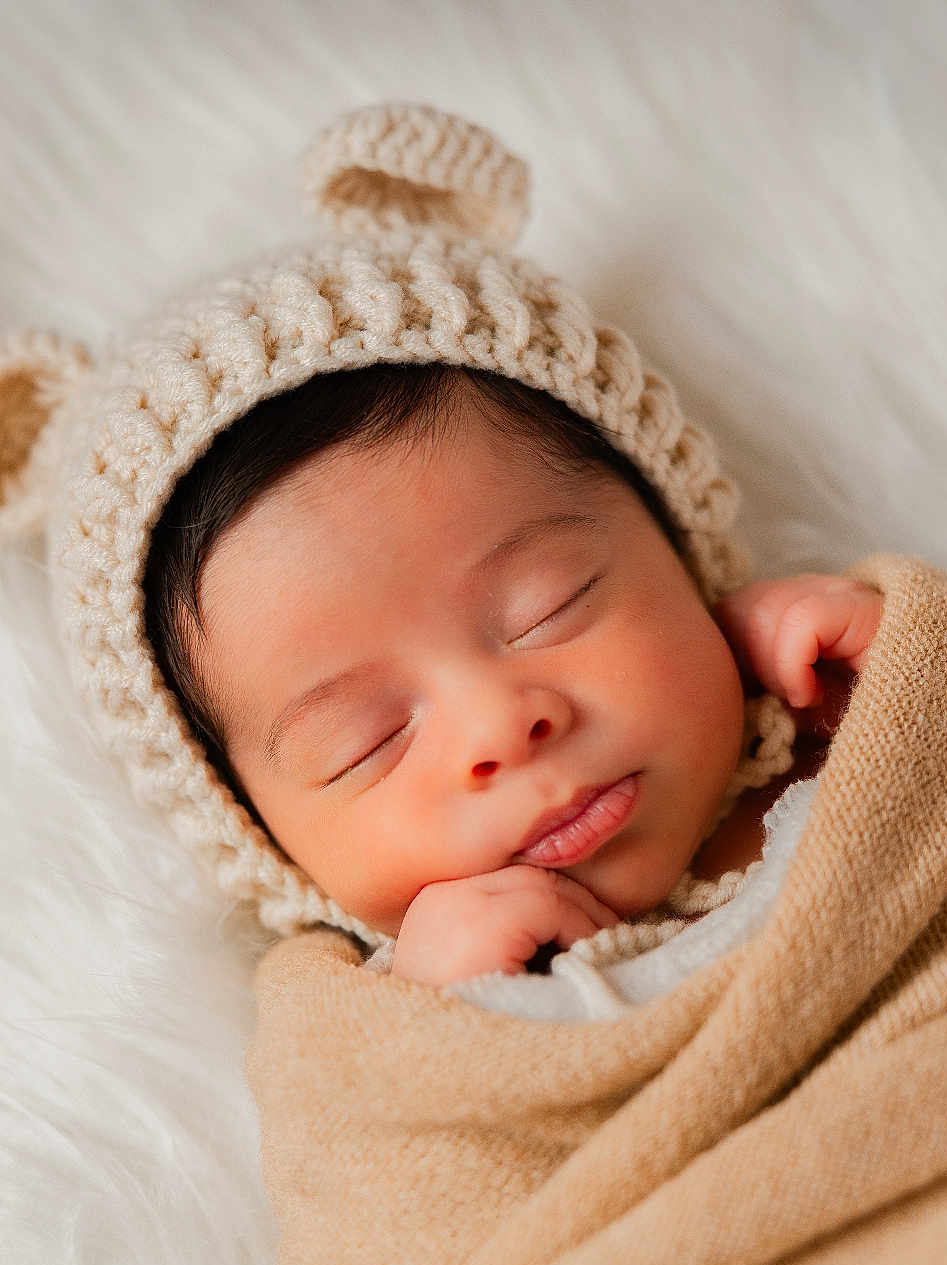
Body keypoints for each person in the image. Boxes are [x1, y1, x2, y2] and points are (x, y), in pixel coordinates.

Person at [141, 358, 883, 987]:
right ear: (257, 836)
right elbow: (359, 1155)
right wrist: (443, 1035)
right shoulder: (362, 1021)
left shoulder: (848, 721)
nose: (499, 726)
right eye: (365, 742)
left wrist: (898, 654)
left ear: (683, 552)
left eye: (548, 609)